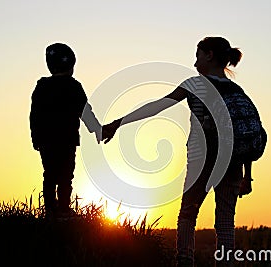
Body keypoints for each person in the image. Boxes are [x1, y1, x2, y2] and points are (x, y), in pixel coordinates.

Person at [102, 37, 257, 266]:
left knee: (187, 215)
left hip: (201, 160)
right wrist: (247, 174)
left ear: (209, 55)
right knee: (225, 221)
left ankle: (184, 261)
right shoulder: (236, 90)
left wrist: (118, 123)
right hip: (232, 163)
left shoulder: (195, 84)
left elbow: (157, 106)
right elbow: (245, 134)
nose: (195, 61)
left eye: (198, 54)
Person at [30, 43, 101, 217]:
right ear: (70, 66)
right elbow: (85, 112)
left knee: (50, 174)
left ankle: (51, 209)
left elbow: (34, 115)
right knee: (65, 175)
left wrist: (36, 138)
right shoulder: (73, 86)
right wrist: (97, 129)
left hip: (46, 141)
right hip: (67, 140)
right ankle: (62, 208)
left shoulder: (42, 87)